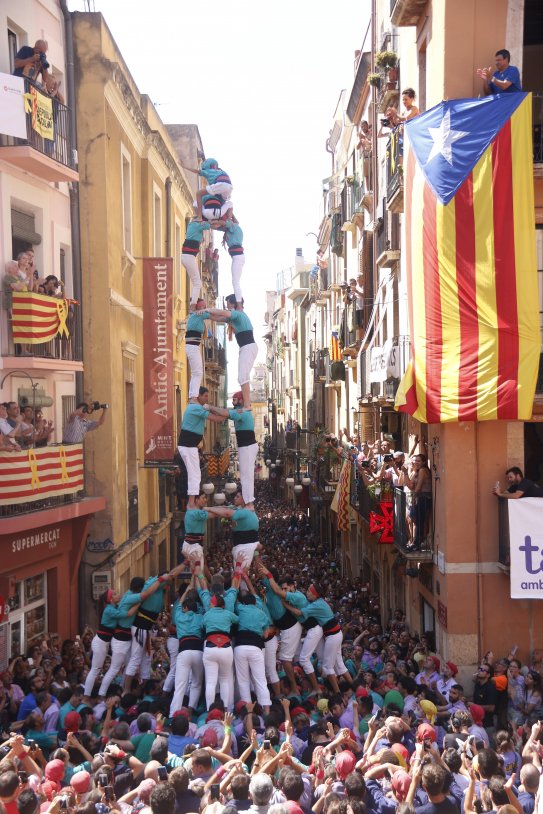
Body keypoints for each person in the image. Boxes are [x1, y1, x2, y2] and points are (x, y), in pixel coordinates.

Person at [97, 577, 166, 697]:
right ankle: (101, 695)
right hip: (120, 640)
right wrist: (159, 580)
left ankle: (124, 690)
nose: (118, 594)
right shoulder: (131, 597)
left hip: (125, 638)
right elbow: (147, 593)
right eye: (115, 594)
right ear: (139, 588)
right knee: (114, 669)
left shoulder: (130, 595)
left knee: (129, 664)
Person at [83, 589, 140, 701]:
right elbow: (128, 613)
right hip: (100, 642)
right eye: (114, 594)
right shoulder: (109, 610)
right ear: (110, 599)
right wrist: (139, 601)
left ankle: (98, 695)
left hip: (104, 643)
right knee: (95, 669)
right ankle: (87, 696)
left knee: (98, 669)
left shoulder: (113, 608)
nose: (117, 594)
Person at [195, 565, 238, 711]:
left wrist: (198, 571)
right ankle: (227, 710)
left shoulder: (207, 614)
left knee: (211, 683)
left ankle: (210, 711)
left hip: (210, 647)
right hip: (226, 647)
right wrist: (238, 567)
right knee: (225, 680)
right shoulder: (228, 611)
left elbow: (202, 625)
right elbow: (237, 620)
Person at [177, 387, 225, 508]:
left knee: (196, 474)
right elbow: (217, 419)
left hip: (190, 446)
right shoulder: (195, 408)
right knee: (194, 474)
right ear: (198, 395)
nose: (207, 399)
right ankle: (191, 503)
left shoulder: (196, 407)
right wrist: (229, 415)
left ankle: (191, 501)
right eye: (205, 396)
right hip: (187, 446)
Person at [208, 392, 258, 508]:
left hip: (247, 446)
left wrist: (210, 407)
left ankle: (249, 502)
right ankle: (248, 501)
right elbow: (221, 417)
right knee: (245, 474)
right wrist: (207, 413)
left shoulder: (243, 411)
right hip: (245, 446)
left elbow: (225, 413)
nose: (232, 402)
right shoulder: (240, 411)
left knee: (247, 474)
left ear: (241, 400)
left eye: (234, 400)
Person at [124, 573, 173, 692]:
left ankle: (144, 687)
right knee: (135, 658)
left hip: (146, 630)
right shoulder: (142, 593)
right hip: (140, 628)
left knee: (146, 658)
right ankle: (126, 690)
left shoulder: (159, 592)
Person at [208, 296, 258, 408]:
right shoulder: (233, 317)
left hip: (248, 347)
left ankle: (247, 405)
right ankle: (247, 404)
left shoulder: (237, 314)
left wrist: (207, 309)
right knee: (242, 377)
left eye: (228, 304)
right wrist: (203, 314)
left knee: (243, 377)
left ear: (233, 304)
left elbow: (222, 313)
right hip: (246, 347)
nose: (227, 307)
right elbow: (217, 318)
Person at [209, 491, 261, 570]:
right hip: (242, 545)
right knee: (240, 572)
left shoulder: (245, 512)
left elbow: (226, 513)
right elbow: (225, 508)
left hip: (244, 547)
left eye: (237, 496)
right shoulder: (238, 508)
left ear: (244, 499)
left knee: (240, 573)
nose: (235, 498)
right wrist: (209, 509)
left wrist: (207, 508)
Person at [181, 219, 211, 307]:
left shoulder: (191, 225)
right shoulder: (197, 225)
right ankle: (193, 306)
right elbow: (209, 225)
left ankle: (193, 304)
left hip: (186, 257)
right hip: (189, 257)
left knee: (196, 283)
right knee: (197, 283)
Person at [185, 300, 211, 399]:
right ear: (199, 307)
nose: (205, 307)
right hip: (192, 347)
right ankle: (193, 396)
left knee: (197, 372)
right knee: (197, 373)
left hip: (193, 347)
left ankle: (193, 395)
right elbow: (212, 315)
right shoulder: (198, 315)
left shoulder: (196, 315)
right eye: (204, 306)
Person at [222, 220, 245, 306]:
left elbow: (222, 223)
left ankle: (239, 304)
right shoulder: (233, 229)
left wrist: (209, 223)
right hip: (237, 257)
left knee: (235, 282)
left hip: (238, 258)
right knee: (235, 281)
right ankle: (239, 303)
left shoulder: (234, 226)